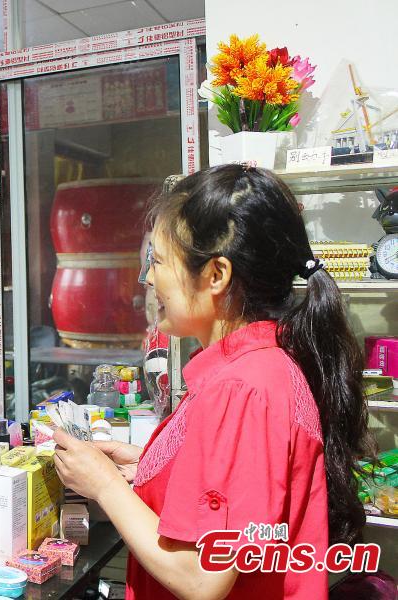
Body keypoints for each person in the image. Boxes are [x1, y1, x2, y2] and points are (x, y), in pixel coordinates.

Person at [52, 164, 375, 599]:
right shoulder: (249, 369)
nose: (148, 278)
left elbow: (202, 576)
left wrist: (104, 485)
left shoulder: (243, 388)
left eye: (159, 261)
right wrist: (146, 462)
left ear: (217, 275)